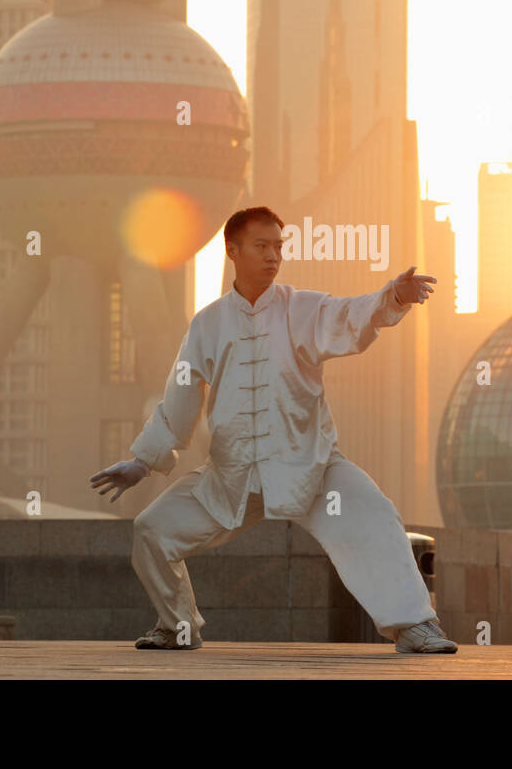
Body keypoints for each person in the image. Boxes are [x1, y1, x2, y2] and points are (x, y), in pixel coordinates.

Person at [90, 206, 458, 654]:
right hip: (230, 477)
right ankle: (177, 626)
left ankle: (416, 626)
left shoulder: (302, 308)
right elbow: (181, 397)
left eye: (278, 247)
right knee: (151, 531)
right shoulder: (207, 324)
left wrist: (392, 297)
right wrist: (142, 463)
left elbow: (349, 317)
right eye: (261, 246)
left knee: (376, 515)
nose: (273, 257)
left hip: (311, 466)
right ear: (232, 251)